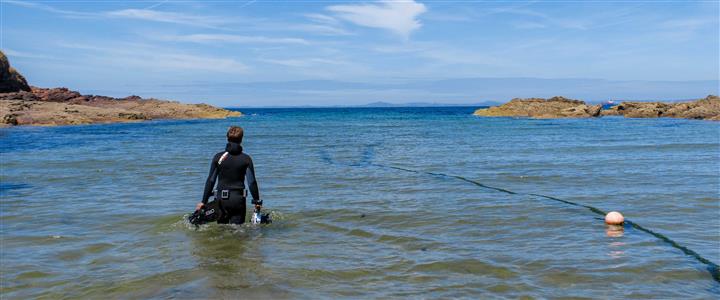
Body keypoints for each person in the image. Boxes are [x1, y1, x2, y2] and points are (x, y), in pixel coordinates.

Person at [196, 126, 261, 224]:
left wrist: (203, 201)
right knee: (238, 233)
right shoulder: (246, 159)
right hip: (238, 200)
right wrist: (256, 201)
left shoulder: (218, 157)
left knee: (222, 232)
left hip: (221, 202)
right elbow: (251, 182)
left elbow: (211, 180)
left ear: (227, 138)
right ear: (241, 139)